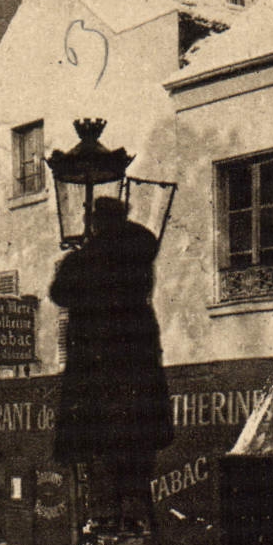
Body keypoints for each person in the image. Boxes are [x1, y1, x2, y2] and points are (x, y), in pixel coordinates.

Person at [48, 196, 174, 527]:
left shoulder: (86, 258)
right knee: (135, 434)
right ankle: (134, 507)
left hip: (97, 358)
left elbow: (59, 293)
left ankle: (103, 512)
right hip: (138, 354)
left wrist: (78, 256)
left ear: (96, 221)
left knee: (99, 437)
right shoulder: (140, 249)